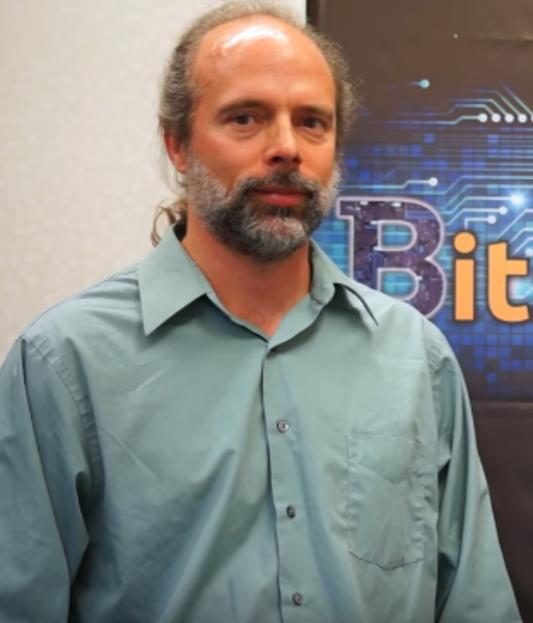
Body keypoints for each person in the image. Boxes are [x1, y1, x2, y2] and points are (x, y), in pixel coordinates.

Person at [0, 2, 522, 622]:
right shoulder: (66, 363)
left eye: (312, 122)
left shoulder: (413, 356)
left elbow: (474, 602)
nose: (286, 148)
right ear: (177, 145)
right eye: (245, 118)